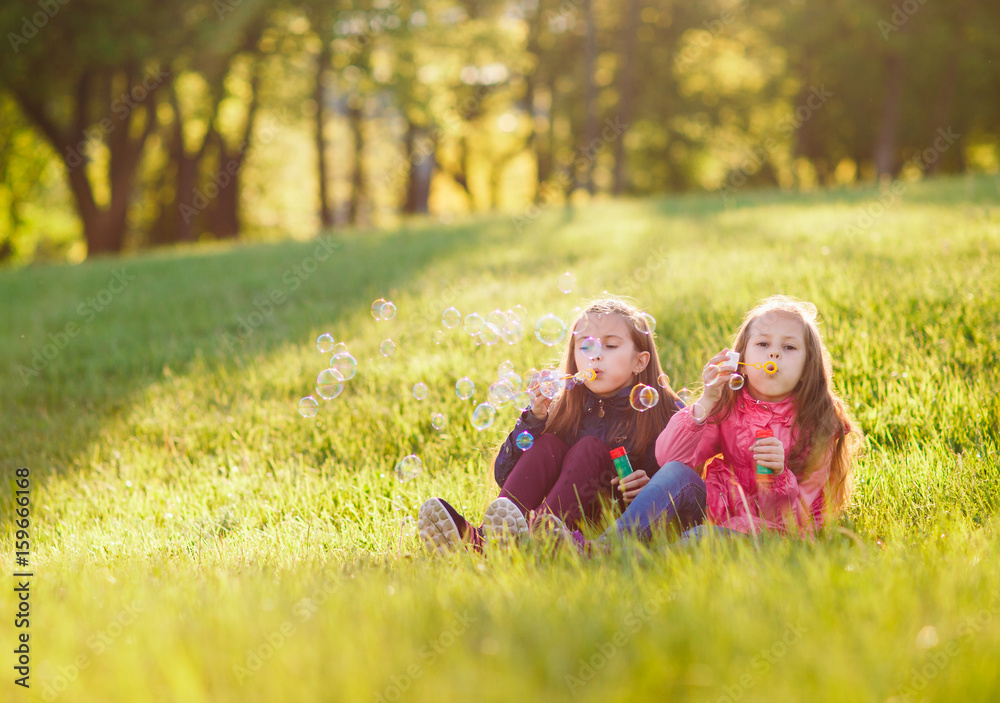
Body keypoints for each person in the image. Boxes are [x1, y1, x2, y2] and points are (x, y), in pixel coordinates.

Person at [549, 295, 863, 549]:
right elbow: (670, 459)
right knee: (678, 476)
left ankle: (636, 561)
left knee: (698, 538)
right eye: (763, 344)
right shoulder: (728, 406)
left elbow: (800, 518)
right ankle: (604, 548)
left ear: (808, 366)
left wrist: (778, 477)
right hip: (720, 513)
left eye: (789, 347)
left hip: (778, 535)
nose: (774, 354)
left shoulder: (819, 423)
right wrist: (706, 402)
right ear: (742, 360)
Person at [417, 297, 679, 553]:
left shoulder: (663, 413)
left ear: (639, 361)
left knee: (589, 448)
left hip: (612, 518)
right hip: (563, 516)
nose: (596, 356)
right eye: (586, 347)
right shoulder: (564, 406)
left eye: (610, 346)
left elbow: (683, 483)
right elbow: (504, 476)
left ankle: (532, 538)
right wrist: (534, 418)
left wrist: (649, 487)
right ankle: (485, 538)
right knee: (548, 444)